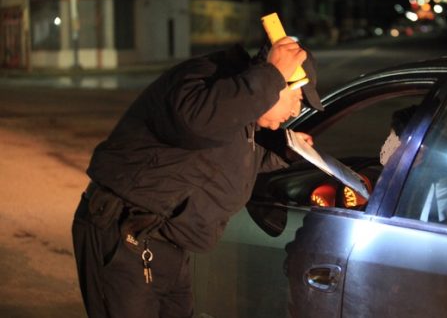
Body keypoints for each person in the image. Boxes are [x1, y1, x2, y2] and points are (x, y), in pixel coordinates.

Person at [71, 36, 324, 317]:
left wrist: (283, 153)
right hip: (126, 237)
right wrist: (272, 74)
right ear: (275, 79)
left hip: (166, 248)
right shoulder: (206, 79)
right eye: (297, 97)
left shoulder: (238, 108)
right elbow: (198, 124)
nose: (295, 111)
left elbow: (220, 160)